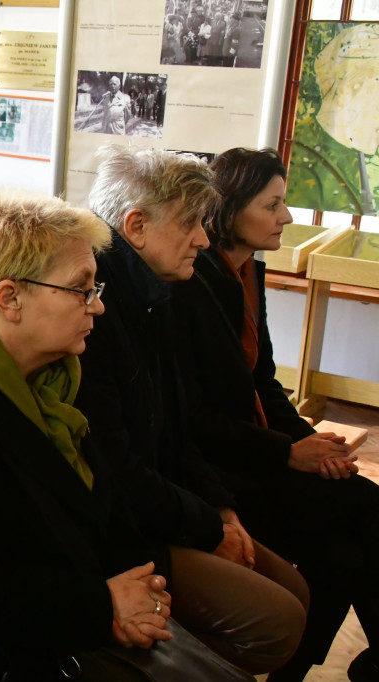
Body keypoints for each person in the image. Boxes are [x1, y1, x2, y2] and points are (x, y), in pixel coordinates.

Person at [0, 190, 247, 680]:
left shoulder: (52, 376)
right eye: (81, 289)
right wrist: (103, 606)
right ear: (10, 299)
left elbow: (99, 502)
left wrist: (135, 584)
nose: (98, 307)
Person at [78, 145, 308, 674]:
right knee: (278, 619)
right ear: (135, 225)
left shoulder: (158, 296)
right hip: (131, 530)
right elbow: (118, 467)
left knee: (294, 589)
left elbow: (177, 431)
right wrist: (207, 525)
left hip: (168, 504)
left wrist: (220, 510)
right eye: (191, 224)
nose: (204, 239)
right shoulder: (102, 314)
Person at [171, 147, 379, 682]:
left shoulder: (248, 273)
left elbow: (262, 382)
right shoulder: (191, 287)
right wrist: (289, 453)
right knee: (363, 520)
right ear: (228, 208)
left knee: (344, 559)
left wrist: (313, 445)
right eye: (274, 204)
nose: (286, 217)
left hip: (257, 451)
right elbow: (194, 419)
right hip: (224, 471)